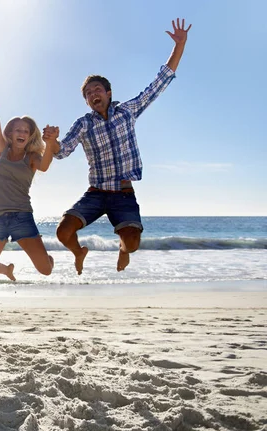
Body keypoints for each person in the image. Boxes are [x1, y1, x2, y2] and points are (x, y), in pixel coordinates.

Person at [43, 18, 192, 275]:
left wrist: (179, 45)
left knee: (133, 243)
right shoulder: (83, 124)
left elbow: (160, 83)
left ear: (108, 93)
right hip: (95, 193)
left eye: (97, 89)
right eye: (88, 93)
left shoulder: (127, 112)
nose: (92, 95)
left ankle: (123, 250)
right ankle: (79, 252)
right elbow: (63, 151)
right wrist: (51, 141)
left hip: (123, 195)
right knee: (62, 231)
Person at [0, 62, 55, 281]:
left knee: (46, 270)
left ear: (30, 136)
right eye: (18, 130)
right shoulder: (0, 150)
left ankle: (48, 258)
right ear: (10, 134)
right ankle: (5, 269)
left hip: (22, 216)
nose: (22, 132)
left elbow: (45, 166)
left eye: (26, 131)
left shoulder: (32, 157)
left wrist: (50, 143)